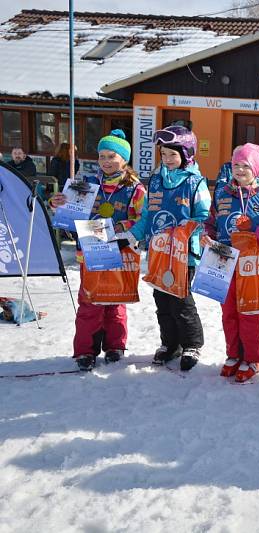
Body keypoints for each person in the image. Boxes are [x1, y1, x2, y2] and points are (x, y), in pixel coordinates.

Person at [48, 130, 146, 371]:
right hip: (90, 249)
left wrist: (122, 226)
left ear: (124, 159)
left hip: (119, 249)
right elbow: (69, 211)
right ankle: (85, 350)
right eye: (102, 156)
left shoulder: (135, 188)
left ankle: (115, 345)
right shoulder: (88, 183)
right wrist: (56, 203)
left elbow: (143, 219)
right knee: (89, 301)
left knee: (115, 301)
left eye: (112, 156)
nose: (105, 161)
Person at [116, 125, 211, 371]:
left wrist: (184, 231)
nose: (167, 159)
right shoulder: (156, 181)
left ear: (186, 155)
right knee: (162, 300)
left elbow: (203, 217)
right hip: (159, 253)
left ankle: (191, 344)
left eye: (173, 154)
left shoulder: (195, 182)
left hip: (183, 254)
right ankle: (170, 344)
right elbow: (147, 214)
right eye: (164, 154)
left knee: (181, 301)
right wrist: (132, 236)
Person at [203, 144, 259, 382]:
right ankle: (233, 354)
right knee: (228, 311)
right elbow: (210, 221)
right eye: (236, 165)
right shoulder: (221, 193)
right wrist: (206, 235)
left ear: (257, 169)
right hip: (223, 259)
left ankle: (252, 358)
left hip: (252, 264)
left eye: (246, 166)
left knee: (250, 312)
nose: (240, 170)